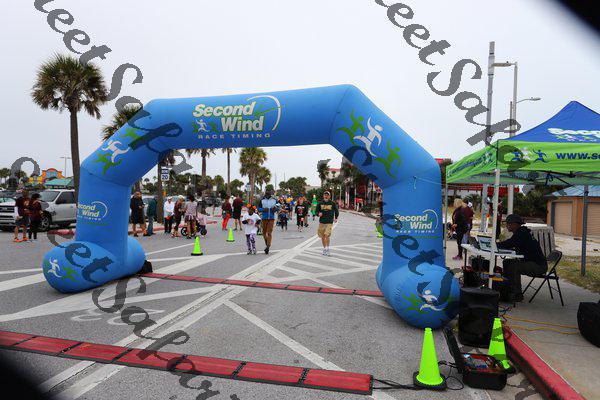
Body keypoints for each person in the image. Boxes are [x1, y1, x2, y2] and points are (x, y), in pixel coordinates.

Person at [498, 214, 548, 302]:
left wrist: (495, 245)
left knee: (514, 266)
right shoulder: (521, 232)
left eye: (509, 223)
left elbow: (510, 243)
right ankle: (507, 289)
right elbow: (512, 243)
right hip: (531, 262)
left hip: (539, 266)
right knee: (506, 262)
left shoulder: (521, 233)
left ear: (515, 224)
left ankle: (517, 294)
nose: (507, 225)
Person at [316, 191, 339, 256]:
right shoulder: (320, 203)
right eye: (325, 195)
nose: (326, 196)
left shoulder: (332, 203)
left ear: (329, 196)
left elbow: (336, 211)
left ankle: (327, 249)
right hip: (322, 222)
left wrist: (336, 218)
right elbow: (316, 211)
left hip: (329, 222)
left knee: (326, 235)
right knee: (322, 236)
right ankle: (325, 249)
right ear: (323, 196)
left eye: (327, 195)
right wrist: (318, 214)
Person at [258, 189, 277, 254]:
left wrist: (275, 209)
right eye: (266, 194)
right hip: (264, 218)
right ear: (265, 194)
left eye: (268, 194)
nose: (267, 195)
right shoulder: (262, 200)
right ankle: (267, 242)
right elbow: (258, 208)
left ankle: (268, 246)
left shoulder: (274, 200)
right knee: (263, 233)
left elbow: (278, 207)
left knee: (269, 233)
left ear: (270, 194)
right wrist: (263, 209)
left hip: (271, 218)